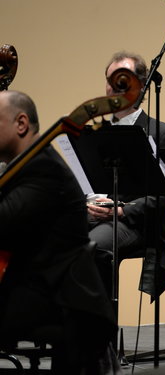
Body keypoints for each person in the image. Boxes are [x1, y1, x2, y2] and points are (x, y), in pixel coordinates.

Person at [0, 91, 117, 374]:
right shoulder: (24, 167)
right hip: (33, 286)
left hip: (56, 299)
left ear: (21, 123)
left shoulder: (43, 169)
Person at [87, 51, 165, 298]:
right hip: (95, 215)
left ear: (142, 87)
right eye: (110, 80)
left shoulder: (162, 134)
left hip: (137, 223)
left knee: (92, 247)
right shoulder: (95, 131)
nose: (114, 87)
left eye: (123, 79)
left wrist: (119, 210)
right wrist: (87, 204)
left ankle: (98, 332)